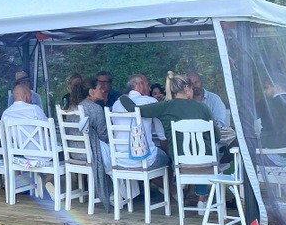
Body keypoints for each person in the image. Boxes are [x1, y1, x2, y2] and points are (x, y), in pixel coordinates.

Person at [118, 72, 219, 214]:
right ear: (186, 88)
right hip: (206, 165)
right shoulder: (203, 108)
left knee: (179, 153)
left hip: (180, 163)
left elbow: (135, 110)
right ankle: (202, 200)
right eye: (191, 87)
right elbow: (216, 137)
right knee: (203, 153)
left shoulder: (165, 106)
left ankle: (176, 190)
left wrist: (123, 97)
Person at [64, 78, 112, 211]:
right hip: (90, 154)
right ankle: (117, 195)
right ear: (91, 92)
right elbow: (104, 135)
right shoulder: (95, 108)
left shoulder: (73, 107)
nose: (103, 90)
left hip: (73, 153)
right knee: (117, 158)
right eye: (100, 88)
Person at [122, 74, 167, 150]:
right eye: (147, 85)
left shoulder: (117, 104)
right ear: (139, 85)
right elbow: (162, 136)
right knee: (165, 156)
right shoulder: (151, 101)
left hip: (119, 154)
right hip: (144, 153)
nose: (149, 89)